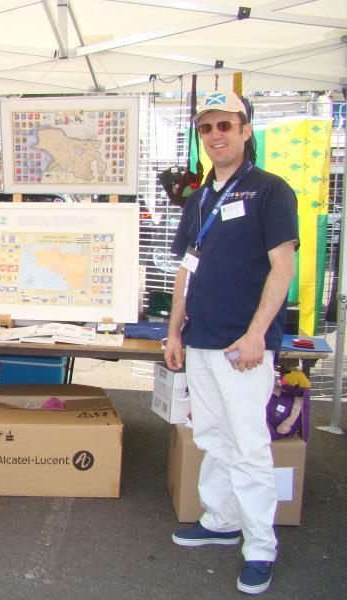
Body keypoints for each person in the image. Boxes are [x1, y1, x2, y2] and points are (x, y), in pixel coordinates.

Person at [164, 91, 297, 595]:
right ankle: (221, 520)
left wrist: (258, 334)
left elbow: (282, 266)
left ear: (246, 131)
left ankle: (260, 547)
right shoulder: (199, 198)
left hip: (244, 346)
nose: (216, 135)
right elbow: (186, 268)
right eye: (207, 128)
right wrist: (174, 330)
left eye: (226, 125)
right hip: (199, 341)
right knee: (211, 439)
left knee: (248, 447)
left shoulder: (269, 190)